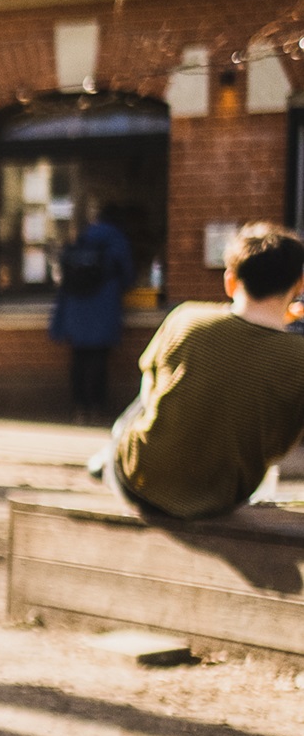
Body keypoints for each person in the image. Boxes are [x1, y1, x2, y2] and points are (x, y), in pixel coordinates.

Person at [106, 222, 304, 520]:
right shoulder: (297, 355)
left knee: (146, 394)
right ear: (300, 284)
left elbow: (149, 394)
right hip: (222, 497)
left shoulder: (187, 318)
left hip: (139, 483)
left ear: (230, 281)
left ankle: (103, 461)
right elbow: (280, 447)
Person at [49, 210, 134, 422]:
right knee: (99, 360)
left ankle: (80, 408)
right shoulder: (116, 241)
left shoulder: (80, 239)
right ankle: (96, 407)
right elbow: (127, 276)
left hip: (76, 309)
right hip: (104, 307)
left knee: (79, 358)